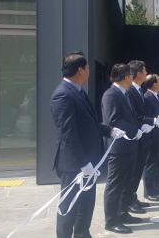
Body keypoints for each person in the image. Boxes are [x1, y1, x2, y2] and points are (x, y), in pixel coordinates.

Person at [50, 52, 117, 238]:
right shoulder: (62, 95)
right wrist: (83, 163)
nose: (89, 71)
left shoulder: (79, 91)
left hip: (90, 163)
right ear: (80, 70)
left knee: (86, 205)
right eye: (88, 68)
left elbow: (90, 123)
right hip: (74, 165)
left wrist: (109, 131)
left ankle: (82, 234)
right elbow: (68, 133)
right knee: (69, 207)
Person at [101, 64, 143, 234]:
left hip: (129, 145)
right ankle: (111, 220)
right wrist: (135, 131)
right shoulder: (111, 94)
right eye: (131, 75)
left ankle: (122, 212)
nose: (132, 78)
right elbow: (113, 119)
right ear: (126, 77)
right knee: (115, 184)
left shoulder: (124, 93)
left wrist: (139, 128)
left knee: (126, 182)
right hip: (118, 148)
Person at [126, 60, 156, 212]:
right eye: (145, 71)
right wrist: (151, 120)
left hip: (144, 137)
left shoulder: (138, 90)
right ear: (139, 73)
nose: (146, 73)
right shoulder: (130, 91)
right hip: (136, 137)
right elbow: (135, 115)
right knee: (133, 171)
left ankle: (134, 197)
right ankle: (129, 200)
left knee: (138, 171)